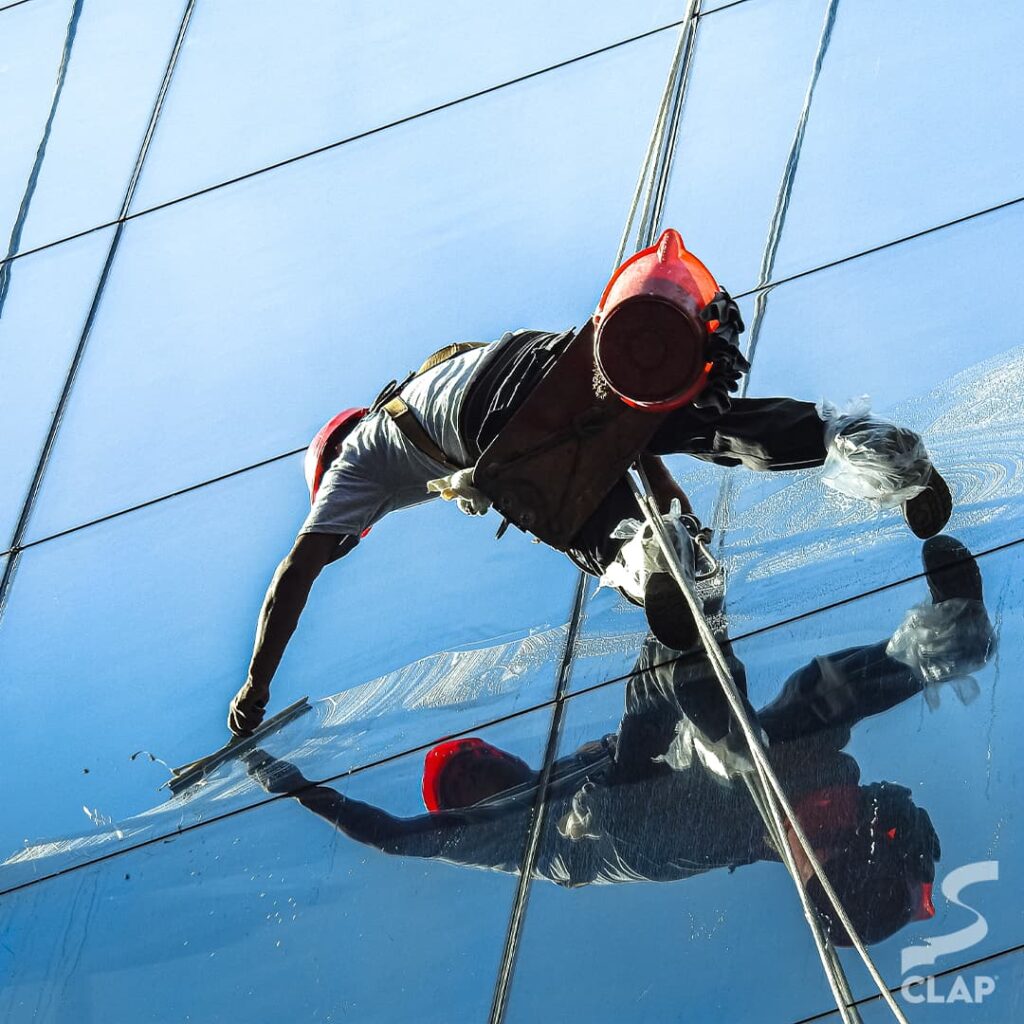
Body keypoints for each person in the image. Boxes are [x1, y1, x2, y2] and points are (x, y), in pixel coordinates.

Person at [228, 285, 952, 737]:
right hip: (555, 358)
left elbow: (295, 571)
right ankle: (875, 448)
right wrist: (666, 492)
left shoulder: (353, 461)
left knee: (557, 507)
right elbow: (619, 445)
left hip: (497, 417)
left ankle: (650, 559)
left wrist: (256, 686)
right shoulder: (426, 379)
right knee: (700, 425)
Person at [243, 535, 994, 946]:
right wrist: (292, 785)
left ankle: (949, 640)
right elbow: (388, 835)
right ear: (460, 804)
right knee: (703, 734)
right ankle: (688, 649)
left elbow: (644, 741)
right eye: (471, 774)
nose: (489, 766)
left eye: (480, 756)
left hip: (676, 795)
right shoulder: (495, 838)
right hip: (655, 825)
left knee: (802, 701)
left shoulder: (569, 775)